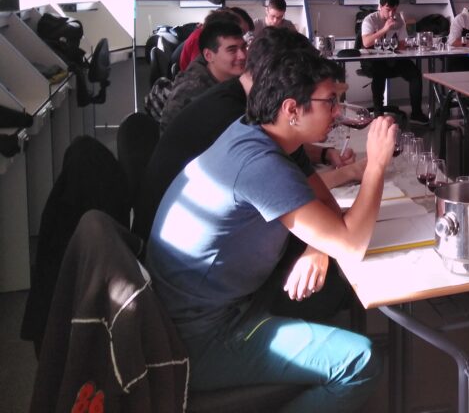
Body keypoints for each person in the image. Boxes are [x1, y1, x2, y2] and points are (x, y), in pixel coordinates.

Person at [146, 46, 395, 411]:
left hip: (221, 303)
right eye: (330, 102)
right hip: (201, 337)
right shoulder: (261, 165)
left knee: (327, 290)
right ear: (292, 109)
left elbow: (326, 209)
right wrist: (376, 166)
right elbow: (351, 245)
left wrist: (317, 245)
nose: (338, 111)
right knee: (361, 362)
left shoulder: (256, 133)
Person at [134, 27, 362, 244]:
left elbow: (301, 178)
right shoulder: (234, 119)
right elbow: (291, 189)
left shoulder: (258, 108)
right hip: (172, 239)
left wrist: (324, 154)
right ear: (279, 77)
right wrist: (357, 172)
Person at [158, 19, 248, 131]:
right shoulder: (192, 92)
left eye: (243, 47)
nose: (242, 56)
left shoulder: (228, 77)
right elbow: (169, 134)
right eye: (232, 50)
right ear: (208, 55)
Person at [361, 0, 429, 123]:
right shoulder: (370, 20)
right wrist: (385, 29)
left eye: (394, 10)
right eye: (388, 9)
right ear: (380, 7)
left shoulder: (398, 20)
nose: (391, 13)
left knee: (415, 74)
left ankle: (416, 113)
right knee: (379, 72)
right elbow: (366, 42)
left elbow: (402, 45)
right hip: (372, 60)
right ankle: (378, 113)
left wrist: (405, 42)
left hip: (392, 57)